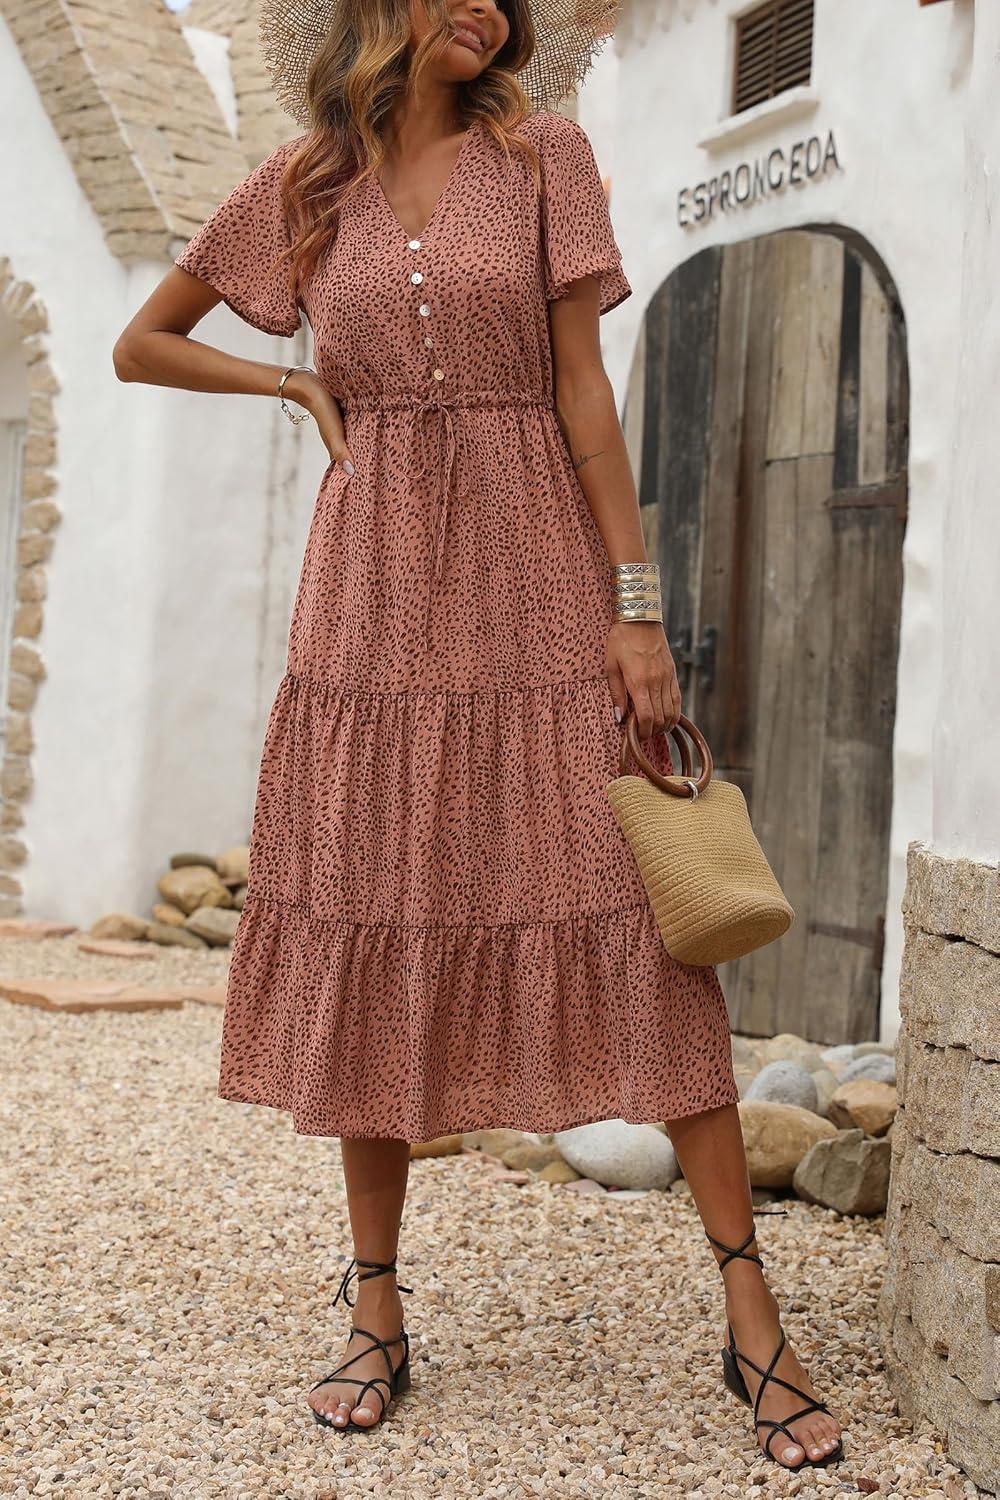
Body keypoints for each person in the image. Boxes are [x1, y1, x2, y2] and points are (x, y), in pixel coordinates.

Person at [113, 0, 843, 1470]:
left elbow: (585, 394)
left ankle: (750, 1313)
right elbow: (145, 343)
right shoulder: (307, 183)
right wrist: (294, 380)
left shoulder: (543, 156)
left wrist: (635, 609)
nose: (488, 9)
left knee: (636, 917)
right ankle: (376, 1308)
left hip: (538, 572)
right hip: (372, 596)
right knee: (381, 909)